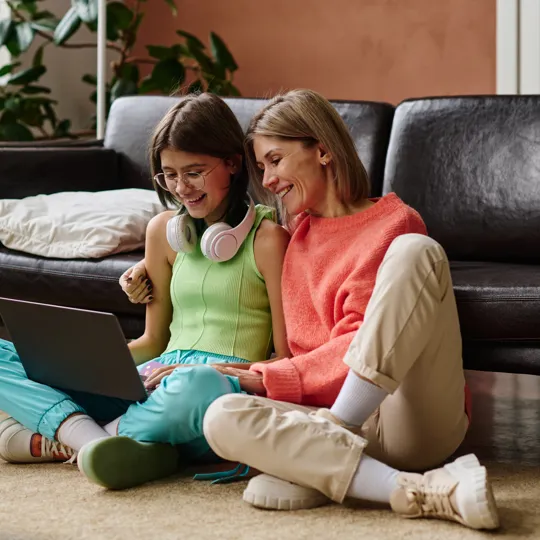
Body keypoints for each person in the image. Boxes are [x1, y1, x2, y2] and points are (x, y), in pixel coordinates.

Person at [123, 89, 499, 530]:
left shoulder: (395, 222)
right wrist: (146, 268)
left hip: (404, 415)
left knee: (417, 251)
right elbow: (227, 252)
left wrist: (265, 376)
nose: (270, 178)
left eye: (276, 161)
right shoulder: (291, 234)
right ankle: (409, 489)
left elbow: (362, 337)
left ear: (321, 150)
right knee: (220, 416)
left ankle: (323, 447)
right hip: (323, 419)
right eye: (261, 167)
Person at [0, 93, 290, 490]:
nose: (181, 187)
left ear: (233, 163)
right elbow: (153, 341)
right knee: (7, 353)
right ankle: (101, 442)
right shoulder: (165, 233)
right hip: (153, 383)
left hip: (212, 392)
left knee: (197, 384)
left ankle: (73, 436)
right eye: (169, 175)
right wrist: (89, 363)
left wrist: (204, 371)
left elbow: (283, 359)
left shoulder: (269, 239)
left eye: (194, 171)